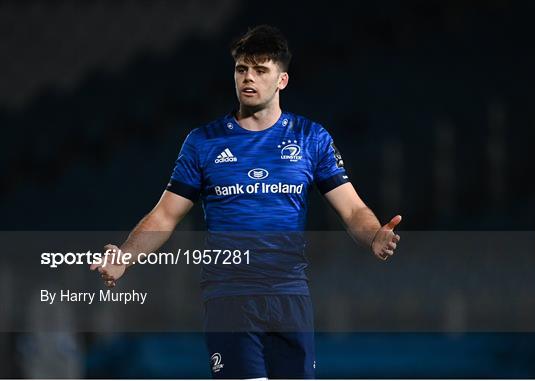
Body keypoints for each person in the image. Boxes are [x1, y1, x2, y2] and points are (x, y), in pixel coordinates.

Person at [90, 25, 401, 379]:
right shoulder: (203, 142)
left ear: (282, 80)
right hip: (230, 295)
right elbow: (164, 215)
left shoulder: (311, 138)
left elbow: (352, 208)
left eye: (260, 70)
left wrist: (374, 235)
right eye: (241, 69)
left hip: (289, 294)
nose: (248, 78)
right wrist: (126, 258)